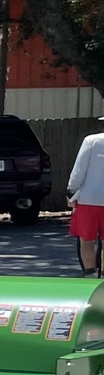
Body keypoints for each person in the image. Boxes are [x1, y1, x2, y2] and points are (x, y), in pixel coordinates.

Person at [70, 110, 104, 276]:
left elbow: (79, 170)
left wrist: (71, 191)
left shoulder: (91, 141)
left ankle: (90, 274)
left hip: (89, 199)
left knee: (86, 239)